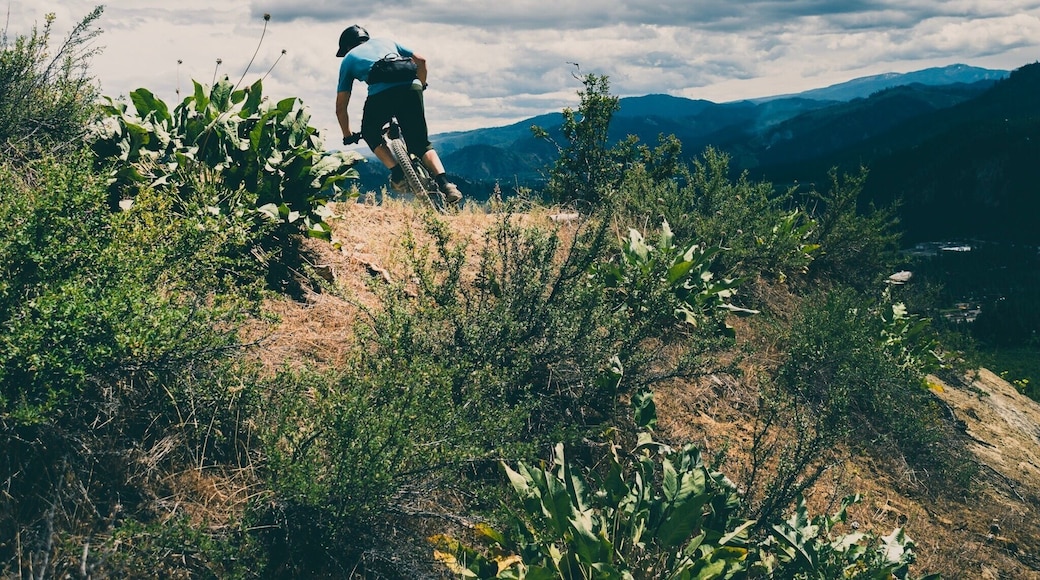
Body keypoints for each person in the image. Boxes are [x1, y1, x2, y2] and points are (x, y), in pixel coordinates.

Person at [335, 24, 463, 205]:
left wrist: (347, 135)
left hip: (381, 96)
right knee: (421, 144)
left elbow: (341, 107)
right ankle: (446, 184)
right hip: (412, 88)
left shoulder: (348, 59)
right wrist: (422, 85)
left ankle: (397, 173)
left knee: (370, 132)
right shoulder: (387, 41)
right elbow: (422, 60)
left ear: (347, 46)